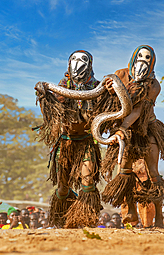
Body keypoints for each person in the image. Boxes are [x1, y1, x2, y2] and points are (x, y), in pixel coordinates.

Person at [97, 45, 164, 228]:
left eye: (148, 58)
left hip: (146, 128)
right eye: (140, 56)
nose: (143, 60)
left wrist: (122, 128)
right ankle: (130, 212)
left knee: (153, 173)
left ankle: (158, 217)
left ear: (152, 63)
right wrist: (109, 89)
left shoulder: (154, 85)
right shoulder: (120, 74)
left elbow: (137, 110)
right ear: (134, 58)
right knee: (125, 171)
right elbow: (106, 95)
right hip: (124, 127)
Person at [35, 50, 102, 228]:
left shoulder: (98, 86)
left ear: (90, 65)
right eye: (74, 60)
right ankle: (61, 216)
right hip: (66, 143)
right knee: (62, 188)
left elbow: (107, 105)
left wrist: (109, 89)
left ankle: (85, 218)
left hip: (86, 142)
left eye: (82, 60)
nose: (77, 63)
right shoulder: (63, 85)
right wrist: (44, 94)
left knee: (88, 181)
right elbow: (53, 109)